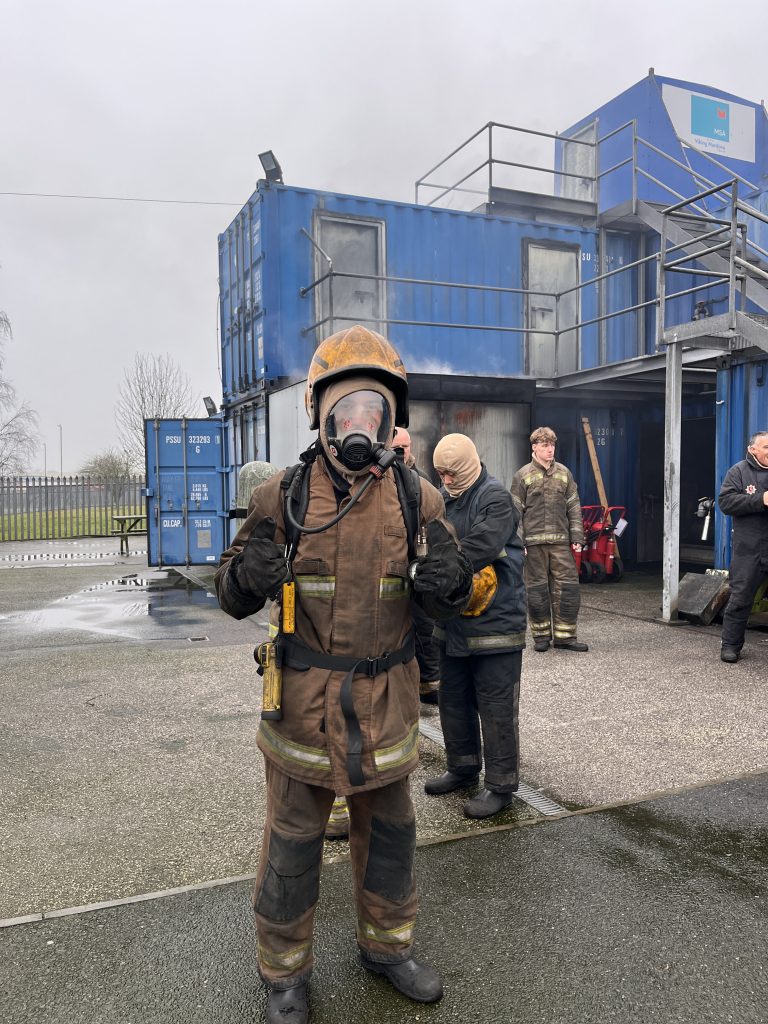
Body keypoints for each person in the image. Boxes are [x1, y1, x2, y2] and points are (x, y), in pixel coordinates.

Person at [215, 325, 473, 1024]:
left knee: (391, 842)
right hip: (302, 713)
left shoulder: (419, 500)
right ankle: (284, 974)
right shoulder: (282, 498)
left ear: (393, 422)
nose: (359, 425)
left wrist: (455, 585)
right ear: (318, 413)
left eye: (374, 411)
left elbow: (462, 595)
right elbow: (228, 594)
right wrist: (246, 576)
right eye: (346, 410)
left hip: (386, 714)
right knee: (291, 852)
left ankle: (387, 950)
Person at [424, 433, 526, 819]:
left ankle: (501, 787)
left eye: (452, 473)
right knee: (453, 700)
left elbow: (481, 545)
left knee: (496, 707)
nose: (447, 481)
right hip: (453, 623)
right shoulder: (441, 499)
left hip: (495, 624)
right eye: (441, 474)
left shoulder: (496, 498)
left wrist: (441, 564)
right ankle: (463, 767)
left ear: (469, 465)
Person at [510, 426, 588, 653]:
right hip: (533, 545)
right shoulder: (522, 475)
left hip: (562, 543)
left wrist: (577, 537)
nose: (549, 450)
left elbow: (574, 506)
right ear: (534, 447)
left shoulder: (564, 473)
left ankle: (566, 637)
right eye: (544, 445)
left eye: (552, 445)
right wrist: (519, 541)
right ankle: (541, 637)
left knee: (568, 589)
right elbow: (515, 511)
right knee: (537, 591)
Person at [393, 426, 441, 705]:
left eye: (405, 446)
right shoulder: (377, 480)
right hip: (391, 569)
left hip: (418, 566)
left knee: (425, 628)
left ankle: (430, 684)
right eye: (395, 446)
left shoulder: (420, 483)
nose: (401, 452)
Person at [717, 430, 768, 664]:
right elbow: (725, 502)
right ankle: (730, 646)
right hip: (750, 549)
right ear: (752, 449)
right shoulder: (738, 471)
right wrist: (760, 500)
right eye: (766, 447)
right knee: (740, 599)